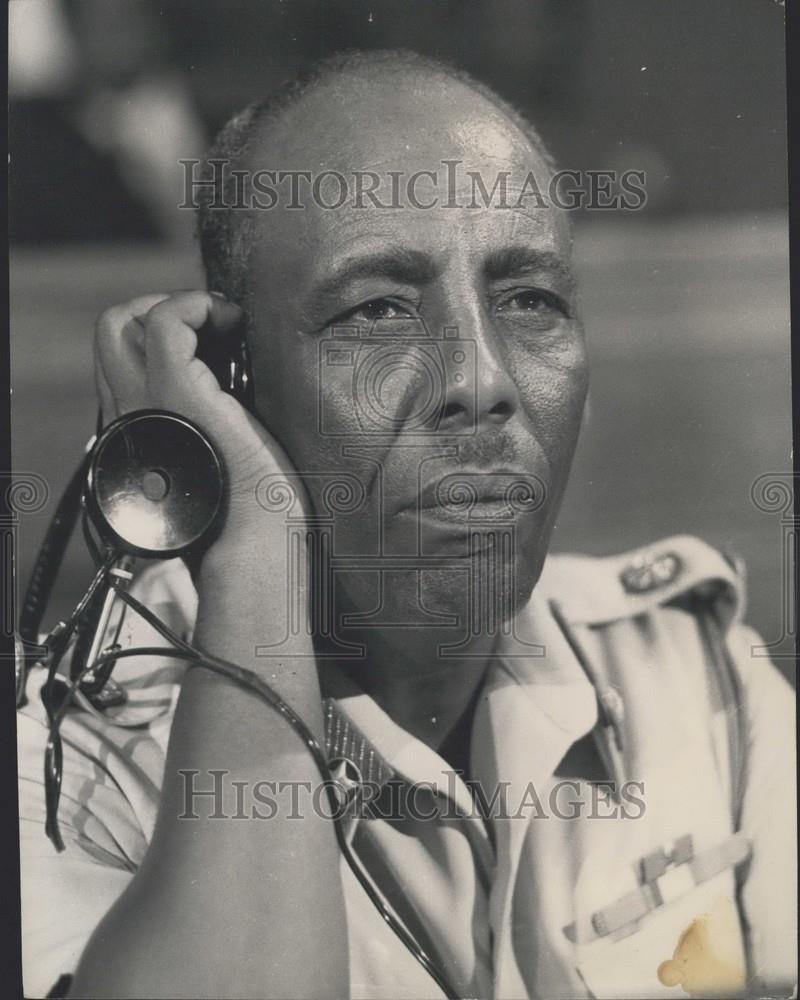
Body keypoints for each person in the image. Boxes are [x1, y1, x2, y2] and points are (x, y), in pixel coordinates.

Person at [17, 50, 795, 999]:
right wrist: (252, 553)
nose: (483, 381)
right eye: (378, 309)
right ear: (232, 383)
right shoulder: (70, 773)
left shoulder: (692, 669)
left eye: (529, 302)